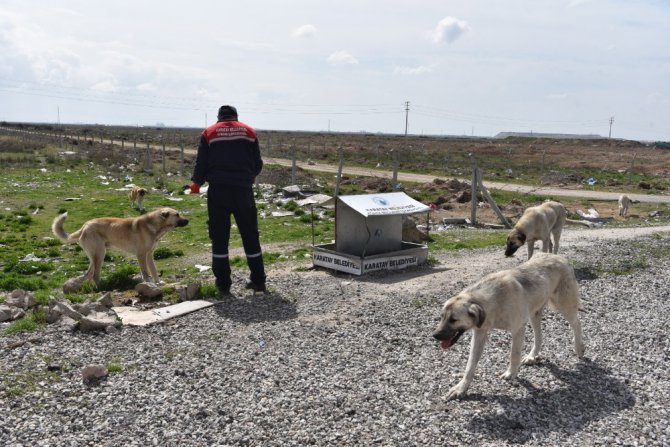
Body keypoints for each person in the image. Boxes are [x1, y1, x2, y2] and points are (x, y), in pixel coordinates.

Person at [190, 105, 266, 294]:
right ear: (236, 116)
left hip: (218, 191)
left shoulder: (209, 132)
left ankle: (223, 284)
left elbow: (201, 162)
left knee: (219, 237)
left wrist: (196, 184)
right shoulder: (249, 131)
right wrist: (249, 176)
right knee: (250, 235)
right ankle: (258, 281)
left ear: (218, 117)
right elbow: (257, 163)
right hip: (243, 190)